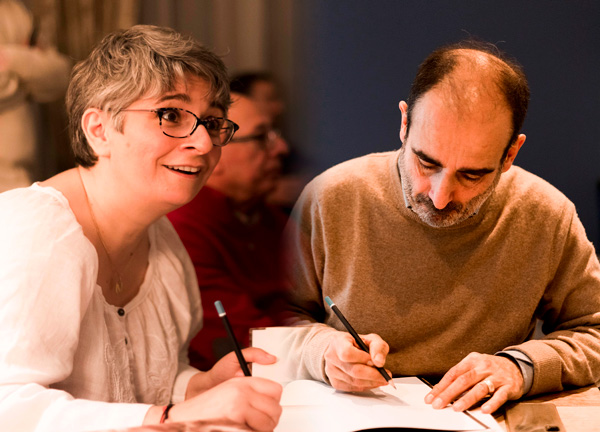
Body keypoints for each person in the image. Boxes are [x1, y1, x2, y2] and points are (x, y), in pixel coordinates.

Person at [284, 40, 600, 416]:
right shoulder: (330, 198)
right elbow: (269, 321)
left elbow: (593, 332)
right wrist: (319, 351)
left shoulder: (545, 214)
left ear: (510, 154)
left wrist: (518, 368)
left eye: (471, 175)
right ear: (404, 124)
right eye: (426, 163)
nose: (438, 197)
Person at [0, 25, 282, 432]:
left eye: (214, 122)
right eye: (170, 115)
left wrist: (199, 387)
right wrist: (170, 416)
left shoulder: (162, 237)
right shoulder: (36, 233)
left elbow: (147, 382)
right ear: (98, 130)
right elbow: (8, 405)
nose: (203, 144)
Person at [168, 92, 290, 371]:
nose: (281, 147)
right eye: (262, 138)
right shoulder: (183, 226)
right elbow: (242, 340)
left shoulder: (269, 218)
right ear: (215, 152)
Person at [0, 0, 71, 192]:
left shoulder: (16, 11)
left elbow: (60, 75)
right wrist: (25, 84)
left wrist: (11, 58)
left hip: (19, 179)